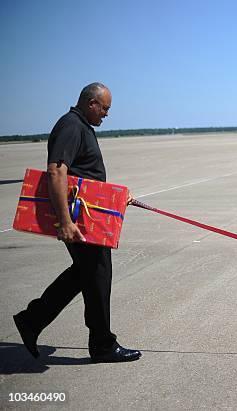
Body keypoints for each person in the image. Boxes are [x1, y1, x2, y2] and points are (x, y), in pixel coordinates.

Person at [13, 83, 141, 363]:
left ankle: (32, 319)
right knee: (96, 274)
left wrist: (117, 199)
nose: (106, 114)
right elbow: (56, 172)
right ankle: (102, 344)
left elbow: (86, 178)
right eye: (104, 108)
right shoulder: (71, 126)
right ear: (90, 102)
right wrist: (65, 221)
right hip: (79, 219)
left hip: (90, 216)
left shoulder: (81, 126)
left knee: (87, 274)